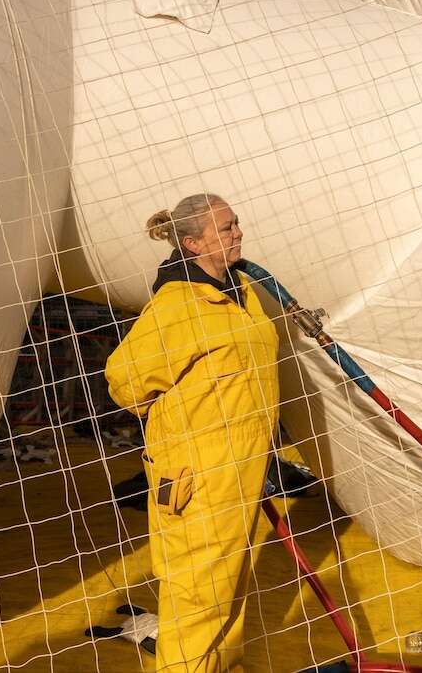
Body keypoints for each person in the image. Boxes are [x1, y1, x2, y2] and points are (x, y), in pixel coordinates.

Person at [103, 193, 280, 673]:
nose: (237, 232)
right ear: (191, 241)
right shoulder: (178, 303)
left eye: (236, 223)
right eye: (225, 228)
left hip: (242, 472)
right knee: (197, 600)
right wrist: (183, 424)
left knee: (230, 594)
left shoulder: (240, 290)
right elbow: (125, 379)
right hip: (198, 479)